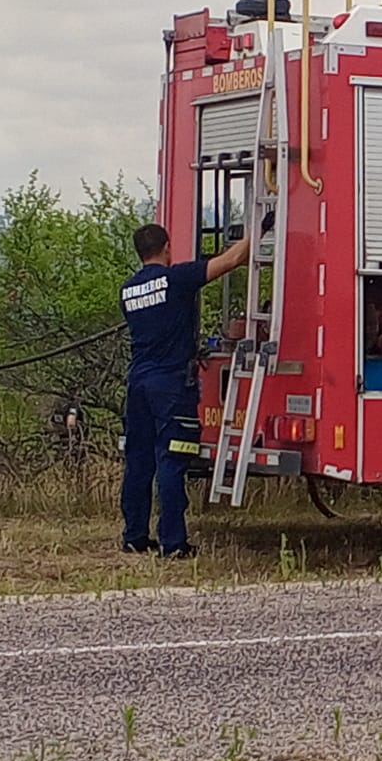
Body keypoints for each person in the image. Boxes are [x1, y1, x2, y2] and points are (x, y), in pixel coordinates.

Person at [119, 219, 254, 557]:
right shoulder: (176, 279)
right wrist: (262, 229)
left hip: (138, 383)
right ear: (167, 248)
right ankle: (173, 542)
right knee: (172, 459)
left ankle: (135, 536)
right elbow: (231, 260)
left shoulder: (128, 289)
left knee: (138, 461)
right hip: (170, 386)